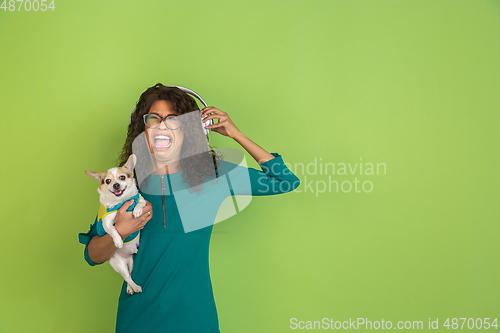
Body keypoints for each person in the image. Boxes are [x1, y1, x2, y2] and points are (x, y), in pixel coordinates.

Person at [78, 83, 301, 332]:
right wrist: (118, 231)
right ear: (143, 129)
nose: (163, 126)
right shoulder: (125, 184)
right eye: (154, 119)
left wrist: (236, 134)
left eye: (173, 119)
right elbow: (92, 255)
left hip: (194, 318)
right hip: (138, 319)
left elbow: (285, 181)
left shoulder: (213, 177)